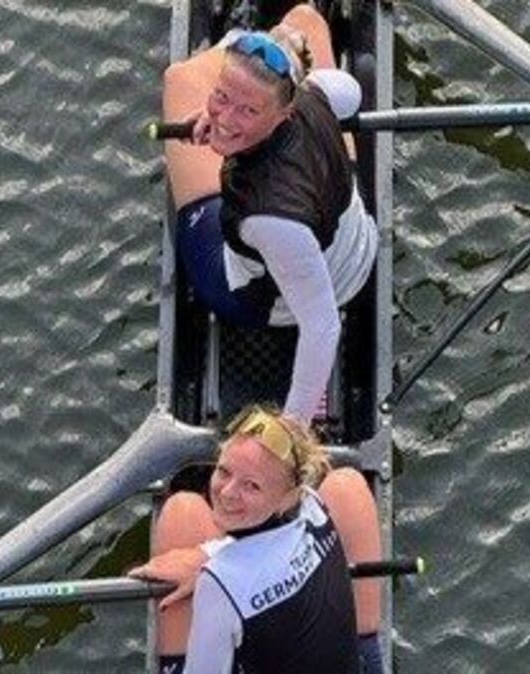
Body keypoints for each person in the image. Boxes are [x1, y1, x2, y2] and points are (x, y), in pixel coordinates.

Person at [162, 3, 378, 425]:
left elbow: (323, 328)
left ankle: (235, 44)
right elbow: (350, 93)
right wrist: (250, 97)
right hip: (354, 243)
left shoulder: (268, 219)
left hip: (272, 299)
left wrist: (292, 429)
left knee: (179, 79)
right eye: (221, 98)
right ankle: (271, 45)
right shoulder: (317, 94)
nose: (224, 118)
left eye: (248, 110)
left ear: (284, 113)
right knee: (305, 18)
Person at [129, 405, 383, 673]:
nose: (227, 492)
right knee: (346, 485)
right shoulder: (314, 507)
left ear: (287, 497)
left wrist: (210, 569)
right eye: (224, 471)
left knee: (183, 513)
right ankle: (369, 649)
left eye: (251, 485)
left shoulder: (218, 583)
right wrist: (210, 554)